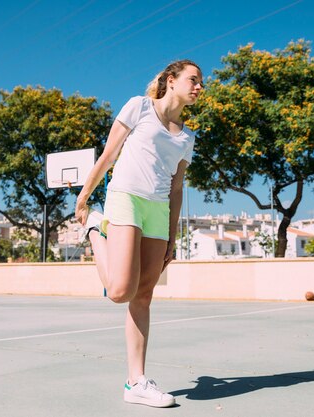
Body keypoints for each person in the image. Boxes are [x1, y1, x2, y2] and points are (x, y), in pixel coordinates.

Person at [74, 59, 203, 408]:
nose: (198, 87)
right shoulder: (139, 107)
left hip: (158, 211)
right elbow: (108, 155)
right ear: (171, 80)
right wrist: (85, 196)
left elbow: (177, 190)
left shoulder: (187, 136)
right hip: (125, 198)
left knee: (143, 296)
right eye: (193, 80)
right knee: (119, 291)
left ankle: (136, 382)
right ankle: (94, 231)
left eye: (200, 82)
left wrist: (173, 236)